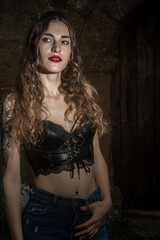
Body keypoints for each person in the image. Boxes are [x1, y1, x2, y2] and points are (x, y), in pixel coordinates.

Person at [2, 11, 112, 240]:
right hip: (46, 216)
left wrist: (107, 200)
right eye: (47, 39)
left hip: (91, 212)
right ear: (34, 46)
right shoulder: (16, 102)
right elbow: (11, 177)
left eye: (65, 42)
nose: (56, 48)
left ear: (71, 53)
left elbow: (96, 155)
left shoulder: (84, 95)